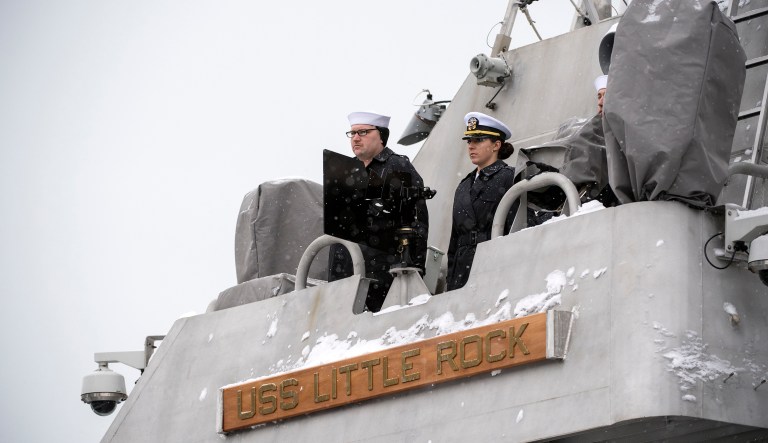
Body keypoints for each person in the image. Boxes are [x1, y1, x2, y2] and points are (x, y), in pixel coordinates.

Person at [328, 111, 429, 312]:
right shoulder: (347, 172)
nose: (356, 138)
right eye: (352, 133)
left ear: (381, 135)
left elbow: (416, 223)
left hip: (382, 277)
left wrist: (413, 272)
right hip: (347, 278)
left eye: (363, 132)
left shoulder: (397, 166)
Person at [446, 112, 517, 291]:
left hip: (493, 266)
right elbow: (454, 240)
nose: (471, 146)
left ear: (496, 145)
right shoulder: (463, 186)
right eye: (469, 141)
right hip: (461, 272)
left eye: (478, 140)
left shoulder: (509, 177)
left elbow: (515, 227)